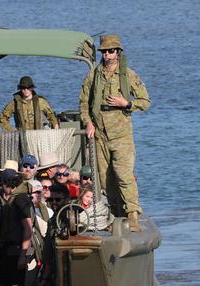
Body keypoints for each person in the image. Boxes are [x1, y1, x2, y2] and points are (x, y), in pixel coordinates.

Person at [79, 34, 151, 230]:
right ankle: (115, 216)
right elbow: (84, 103)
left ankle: (132, 214)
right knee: (104, 179)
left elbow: (145, 102)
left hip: (121, 135)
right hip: (100, 134)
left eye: (111, 51)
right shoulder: (93, 76)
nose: (107, 55)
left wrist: (126, 103)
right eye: (104, 51)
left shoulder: (128, 75)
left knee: (123, 174)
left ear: (118, 52)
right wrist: (88, 122)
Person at [0, 169, 33, 286]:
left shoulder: (20, 199)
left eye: (2, 185)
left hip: (16, 251)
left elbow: (28, 228)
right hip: (10, 250)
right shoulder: (17, 198)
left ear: (6, 184)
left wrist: (22, 255)